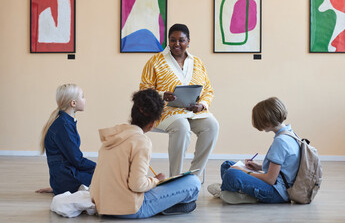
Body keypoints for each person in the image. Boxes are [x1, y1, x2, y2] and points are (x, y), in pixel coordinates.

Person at [90, 89, 201, 218]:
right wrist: (156, 180)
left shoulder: (113, 135)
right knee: (193, 182)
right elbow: (137, 185)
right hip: (129, 209)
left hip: (102, 206)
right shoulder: (141, 141)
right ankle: (169, 205)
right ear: (153, 123)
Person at [139, 23, 219, 176]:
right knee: (182, 126)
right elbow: (144, 91)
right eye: (172, 40)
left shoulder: (198, 63)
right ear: (168, 41)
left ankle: (193, 176)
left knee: (212, 125)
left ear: (188, 41)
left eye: (181, 40)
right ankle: (175, 177)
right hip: (166, 111)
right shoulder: (155, 61)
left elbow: (208, 90)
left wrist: (201, 105)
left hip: (194, 112)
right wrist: (162, 95)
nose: (177, 44)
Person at [207, 97, 300, 204]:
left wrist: (244, 171)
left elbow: (270, 179)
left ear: (267, 122)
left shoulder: (280, 141)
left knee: (232, 173)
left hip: (277, 193)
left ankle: (229, 192)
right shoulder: (289, 133)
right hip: (278, 184)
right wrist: (258, 167)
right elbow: (284, 168)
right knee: (227, 165)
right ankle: (234, 192)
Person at [36, 84, 96, 195]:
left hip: (64, 177)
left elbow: (74, 160)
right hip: (66, 179)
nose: (85, 99)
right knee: (107, 177)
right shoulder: (63, 126)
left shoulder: (65, 122)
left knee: (104, 174)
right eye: (82, 96)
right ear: (73, 103)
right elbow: (77, 160)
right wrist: (99, 167)